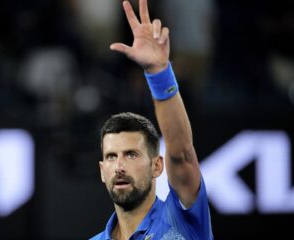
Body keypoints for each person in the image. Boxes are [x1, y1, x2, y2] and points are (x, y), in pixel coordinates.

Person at [90, 0, 213, 239]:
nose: (120, 166)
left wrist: (159, 73)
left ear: (157, 166)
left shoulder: (182, 223)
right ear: (102, 171)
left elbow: (182, 154)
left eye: (131, 154)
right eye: (111, 157)